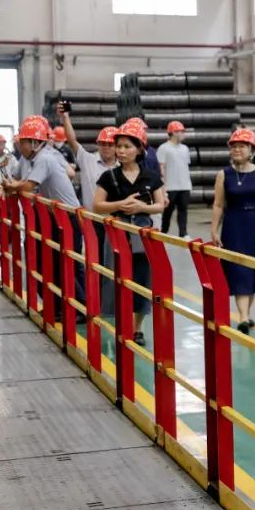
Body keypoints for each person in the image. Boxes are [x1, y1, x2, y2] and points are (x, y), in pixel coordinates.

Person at [0, 117, 86, 322]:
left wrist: (11, 187)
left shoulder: (45, 158)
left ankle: (80, 309)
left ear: (35, 143)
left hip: (67, 217)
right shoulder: (31, 159)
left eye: (23, 142)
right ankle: (57, 308)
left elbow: (27, 186)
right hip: (54, 217)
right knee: (51, 263)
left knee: (64, 264)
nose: (19, 146)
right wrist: (10, 183)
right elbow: (18, 179)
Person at [92, 120, 166, 345]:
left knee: (142, 279)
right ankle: (121, 324)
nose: (121, 151)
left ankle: (137, 328)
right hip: (117, 232)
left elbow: (160, 205)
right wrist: (120, 205)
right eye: (119, 146)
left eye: (127, 146)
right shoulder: (109, 177)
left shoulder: (151, 176)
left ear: (139, 149)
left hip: (143, 233)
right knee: (116, 278)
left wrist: (142, 207)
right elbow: (97, 205)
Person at [210, 128, 255, 334]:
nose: (237, 150)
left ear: (252, 150)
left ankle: (246, 313)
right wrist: (214, 230)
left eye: (241, 146)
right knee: (238, 270)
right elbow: (218, 204)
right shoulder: (224, 174)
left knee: (252, 271)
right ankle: (243, 317)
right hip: (234, 226)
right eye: (234, 147)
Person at [58, 102, 117, 211]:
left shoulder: (122, 167)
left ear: (117, 146)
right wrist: (65, 117)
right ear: (98, 144)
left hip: (114, 219)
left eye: (110, 144)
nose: (106, 147)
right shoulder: (88, 160)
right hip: (90, 218)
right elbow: (72, 141)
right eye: (103, 144)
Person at [157, 121, 192, 238]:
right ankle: (163, 231)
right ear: (173, 132)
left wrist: (188, 183)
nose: (183, 134)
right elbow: (161, 167)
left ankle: (183, 233)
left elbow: (185, 166)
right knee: (168, 211)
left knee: (183, 210)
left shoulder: (185, 148)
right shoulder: (164, 148)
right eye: (181, 132)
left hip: (184, 185)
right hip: (170, 186)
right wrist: (162, 187)